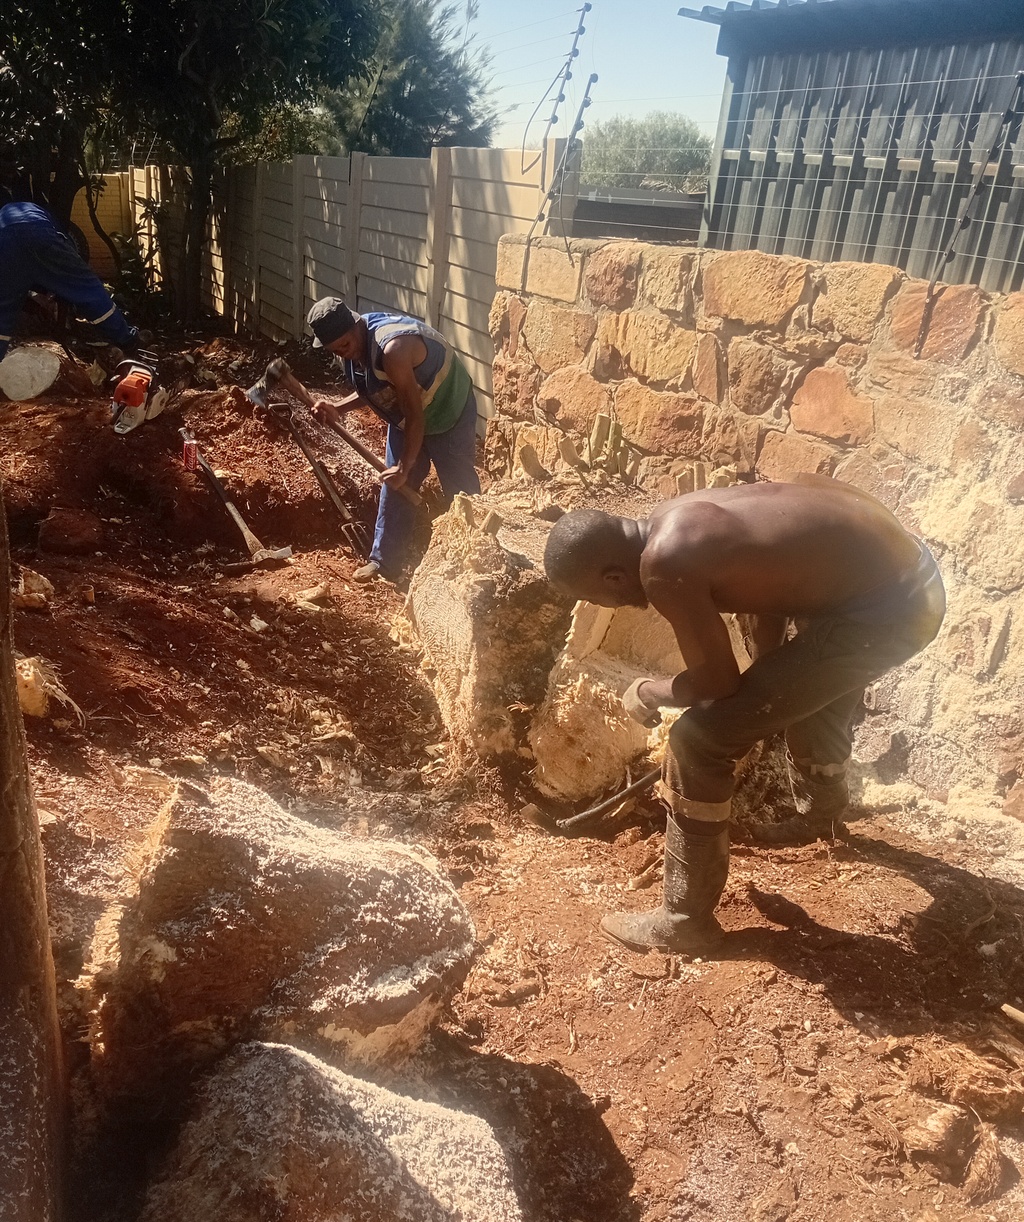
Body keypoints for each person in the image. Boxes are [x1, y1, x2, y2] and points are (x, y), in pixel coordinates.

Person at [542, 476, 946, 956]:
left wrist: (650, 692)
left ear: (612, 577)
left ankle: (683, 920)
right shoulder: (676, 517)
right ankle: (821, 814)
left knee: (699, 740)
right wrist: (767, 677)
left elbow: (717, 684)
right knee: (799, 693)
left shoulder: (664, 565)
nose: (603, 606)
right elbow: (768, 593)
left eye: (594, 597)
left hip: (887, 612)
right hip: (900, 579)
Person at [305, 296, 480, 583]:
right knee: (395, 486)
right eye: (334, 350)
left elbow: (415, 414)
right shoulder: (353, 347)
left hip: (449, 409)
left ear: (356, 324)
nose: (343, 354)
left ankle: (475, 561)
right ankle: (385, 563)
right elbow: (373, 388)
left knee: (460, 492)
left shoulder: (393, 348)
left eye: (345, 346)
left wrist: (405, 465)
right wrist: (338, 407)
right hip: (407, 416)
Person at [0, 200, 141, 362]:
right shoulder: (45, 221)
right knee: (89, 291)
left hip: (4, 244)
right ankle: (127, 340)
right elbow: (67, 275)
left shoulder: (8, 216)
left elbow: (22, 274)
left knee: (2, 312)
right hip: (41, 235)